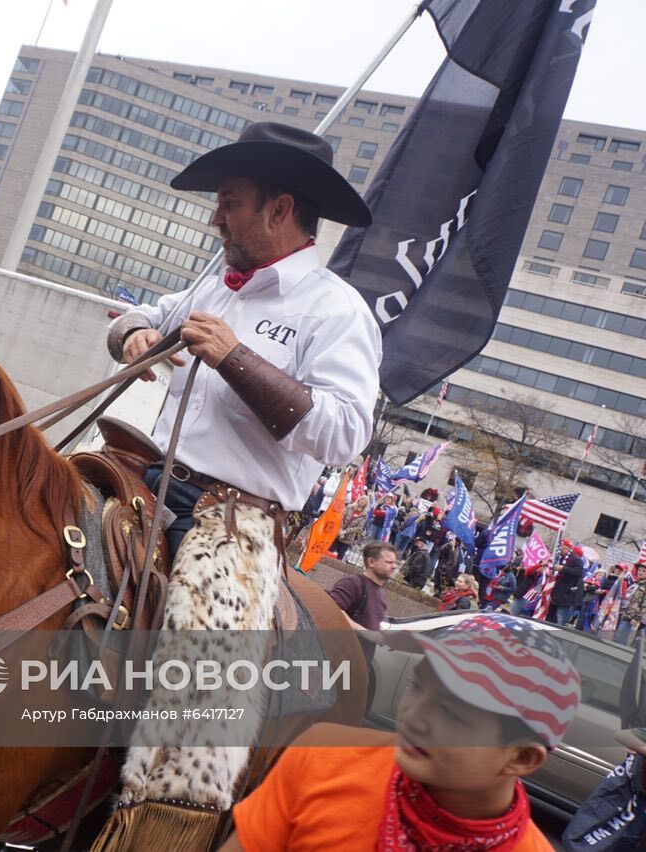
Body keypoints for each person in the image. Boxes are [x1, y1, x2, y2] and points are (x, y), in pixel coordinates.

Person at [106, 121, 378, 561]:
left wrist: (234, 357)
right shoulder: (216, 289)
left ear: (279, 210)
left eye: (229, 204)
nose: (216, 219)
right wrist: (134, 335)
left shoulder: (338, 310)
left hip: (234, 529)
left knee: (195, 633)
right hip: (145, 486)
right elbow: (133, 317)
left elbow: (345, 434)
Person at [225, 613, 579, 851]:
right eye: (416, 686)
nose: (414, 716)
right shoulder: (323, 754)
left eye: (450, 713)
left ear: (522, 757)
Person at [328, 541, 396, 711]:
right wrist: (365, 632)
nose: (393, 566)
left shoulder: (380, 594)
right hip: (334, 666)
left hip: (357, 670)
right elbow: (331, 610)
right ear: (371, 562)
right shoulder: (353, 583)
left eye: (395, 563)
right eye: (388, 562)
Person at [550, 548, 586, 627]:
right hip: (558, 593)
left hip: (566, 595)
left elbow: (578, 572)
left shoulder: (576, 560)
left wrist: (563, 568)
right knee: (554, 617)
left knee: (561, 617)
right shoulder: (563, 559)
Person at [616, 567, 646, 646]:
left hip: (633, 617)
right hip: (626, 613)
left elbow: (644, 605)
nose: (641, 572)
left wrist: (637, 617)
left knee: (621, 637)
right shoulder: (636, 583)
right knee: (619, 636)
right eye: (639, 570)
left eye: (644, 571)